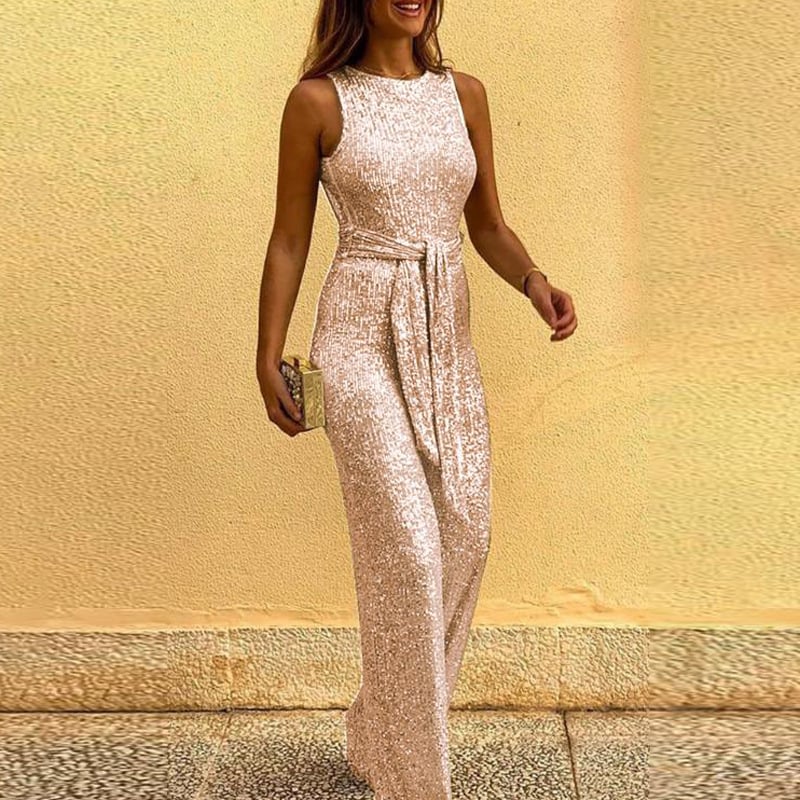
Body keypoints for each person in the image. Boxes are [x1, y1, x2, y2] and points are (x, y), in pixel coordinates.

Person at [256, 1, 578, 797]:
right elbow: (290, 236)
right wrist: (267, 354)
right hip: (356, 336)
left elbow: (488, 225)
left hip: (444, 334)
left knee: (466, 531)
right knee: (406, 545)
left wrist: (535, 281)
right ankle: (415, 778)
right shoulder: (317, 101)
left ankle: (381, 729)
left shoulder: (464, 94)